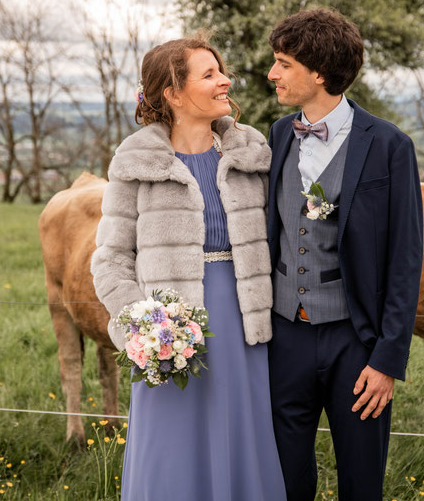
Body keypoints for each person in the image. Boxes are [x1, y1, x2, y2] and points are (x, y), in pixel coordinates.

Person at [91, 34, 286, 501]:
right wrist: (142, 329)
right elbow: (111, 260)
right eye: (210, 74)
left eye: (221, 71)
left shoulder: (252, 153)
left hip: (243, 323)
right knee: (170, 449)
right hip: (169, 331)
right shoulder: (135, 162)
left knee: (243, 440)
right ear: (173, 94)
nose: (226, 81)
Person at [265, 8, 424, 500]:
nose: (272, 73)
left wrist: (387, 360)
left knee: (361, 482)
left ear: (319, 72)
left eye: (283, 63)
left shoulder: (390, 146)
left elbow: (405, 259)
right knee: (286, 481)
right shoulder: (274, 136)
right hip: (282, 336)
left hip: (357, 343)